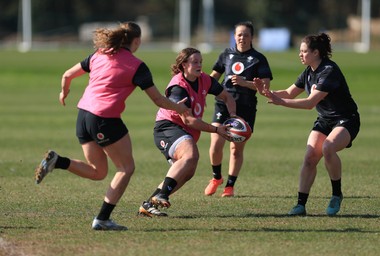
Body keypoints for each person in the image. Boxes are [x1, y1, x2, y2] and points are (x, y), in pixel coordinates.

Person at [34, 21, 188, 230]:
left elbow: (67, 75)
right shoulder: (136, 65)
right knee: (126, 168)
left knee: (98, 172)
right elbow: (159, 100)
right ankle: (102, 219)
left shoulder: (99, 54)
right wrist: (180, 109)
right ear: (137, 41)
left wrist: (64, 92)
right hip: (104, 119)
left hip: (83, 117)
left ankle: (58, 161)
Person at [254, 32, 360, 216]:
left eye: (304, 51)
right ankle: (300, 205)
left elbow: (310, 103)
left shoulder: (329, 71)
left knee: (328, 148)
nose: (300, 54)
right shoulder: (308, 72)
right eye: (300, 51)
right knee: (310, 155)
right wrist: (267, 92)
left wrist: (281, 102)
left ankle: (336, 194)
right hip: (325, 120)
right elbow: (289, 92)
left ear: (316, 53)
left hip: (346, 119)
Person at [138, 47, 236, 217]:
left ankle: (148, 204)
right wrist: (216, 129)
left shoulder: (205, 80)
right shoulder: (178, 88)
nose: (199, 65)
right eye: (195, 62)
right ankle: (162, 195)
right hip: (167, 127)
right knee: (191, 156)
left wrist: (234, 118)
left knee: (188, 171)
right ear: (184, 65)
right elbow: (188, 120)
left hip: (184, 132)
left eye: (201, 62)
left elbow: (227, 97)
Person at [204, 21, 273, 197]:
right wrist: (202, 93)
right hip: (223, 104)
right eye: (239, 34)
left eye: (246, 35)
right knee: (215, 145)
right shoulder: (226, 54)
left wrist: (245, 83)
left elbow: (265, 87)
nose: (242, 38)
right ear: (234, 36)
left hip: (245, 107)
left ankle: (229, 186)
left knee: (236, 149)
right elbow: (212, 78)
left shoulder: (259, 59)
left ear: (252, 37)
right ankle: (216, 178)